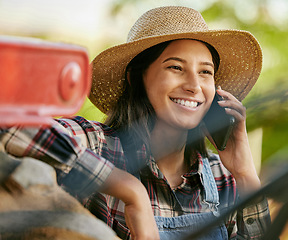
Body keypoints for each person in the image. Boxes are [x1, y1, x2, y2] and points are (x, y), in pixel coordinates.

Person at [0, 6, 271, 240]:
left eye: (205, 72)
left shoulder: (221, 176)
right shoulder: (96, 145)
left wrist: (246, 174)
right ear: (136, 77)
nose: (193, 85)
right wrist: (129, 190)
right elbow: (8, 126)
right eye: (176, 67)